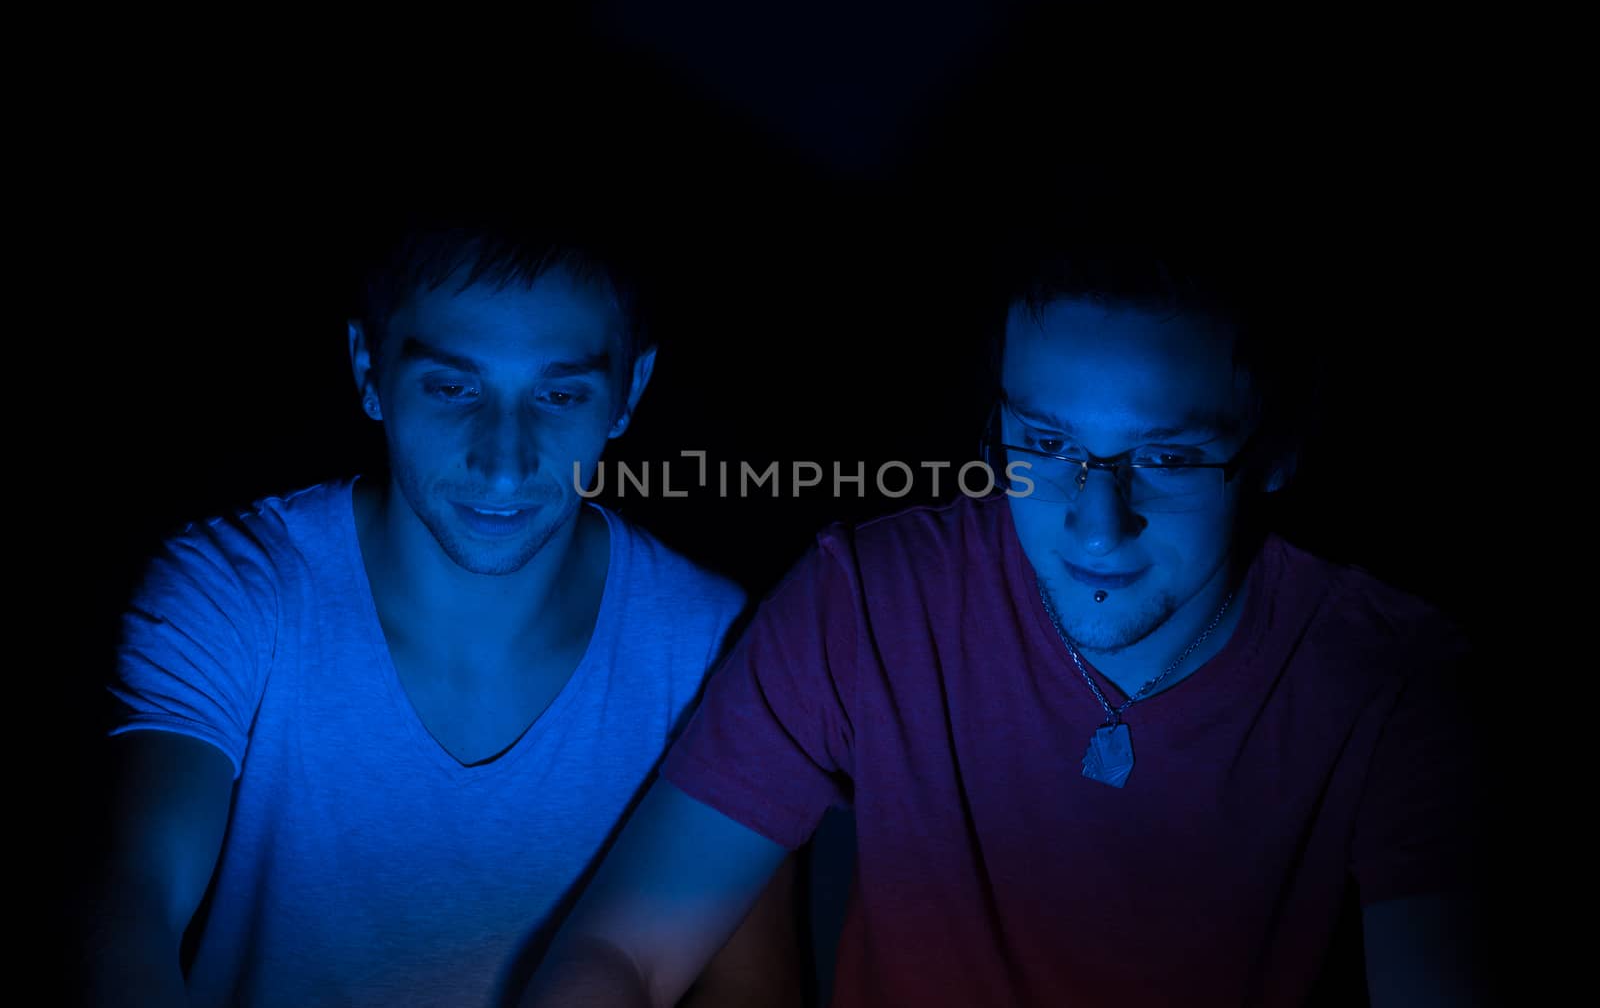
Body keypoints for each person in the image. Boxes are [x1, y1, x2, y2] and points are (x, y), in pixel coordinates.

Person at [521, 231, 1485, 1006]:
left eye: (1169, 458)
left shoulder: (1388, 678)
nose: (1096, 529)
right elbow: (625, 952)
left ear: (1273, 450)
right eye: (1047, 444)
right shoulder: (870, 598)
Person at [82, 217, 800, 1007]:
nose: (503, 461)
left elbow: (751, 992)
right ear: (368, 369)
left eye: (559, 395)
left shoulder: (714, 647)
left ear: (629, 391)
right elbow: (135, 898)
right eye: (453, 388)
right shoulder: (235, 592)